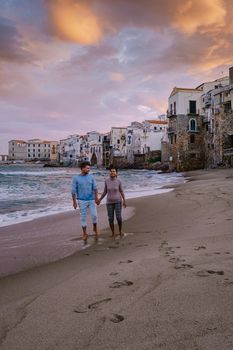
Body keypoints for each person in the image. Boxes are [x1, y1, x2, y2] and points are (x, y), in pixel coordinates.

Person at [71, 161, 99, 244]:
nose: (89, 169)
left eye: (89, 168)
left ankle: (95, 228)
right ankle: (84, 233)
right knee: (83, 217)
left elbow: (95, 188)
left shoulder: (91, 177)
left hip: (91, 200)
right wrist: (74, 202)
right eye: (87, 168)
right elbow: (73, 191)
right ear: (82, 168)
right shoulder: (76, 178)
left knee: (94, 215)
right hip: (81, 200)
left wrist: (96, 198)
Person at [97, 167, 126, 239]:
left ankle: (120, 231)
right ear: (109, 172)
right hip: (109, 202)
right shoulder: (106, 181)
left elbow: (121, 191)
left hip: (118, 201)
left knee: (119, 217)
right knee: (110, 218)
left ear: (116, 173)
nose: (112, 172)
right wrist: (100, 199)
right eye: (111, 171)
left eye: (114, 171)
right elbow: (105, 192)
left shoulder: (119, 181)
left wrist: (124, 200)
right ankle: (113, 232)